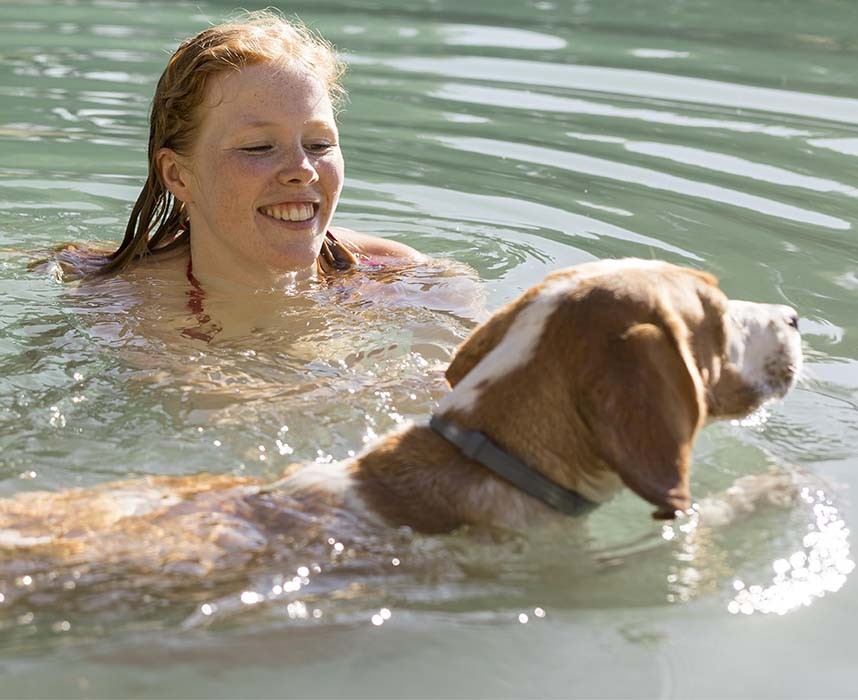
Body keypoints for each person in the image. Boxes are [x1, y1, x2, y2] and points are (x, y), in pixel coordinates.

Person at [70, 10, 425, 289]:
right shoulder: (122, 305)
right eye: (258, 147)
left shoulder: (408, 282)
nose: (303, 168)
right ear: (178, 175)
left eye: (319, 144)